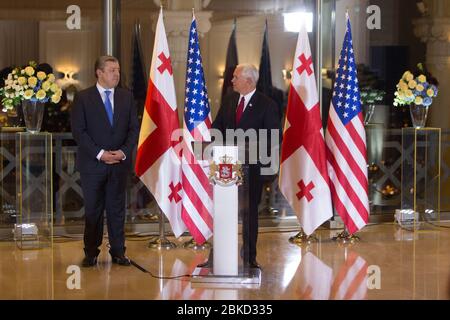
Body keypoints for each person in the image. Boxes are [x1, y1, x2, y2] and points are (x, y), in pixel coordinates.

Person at [71, 56, 139, 267]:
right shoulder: (83, 98)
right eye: (111, 70)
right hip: (93, 165)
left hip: (119, 163)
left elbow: (133, 129)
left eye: (118, 70)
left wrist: (123, 152)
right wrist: (100, 153)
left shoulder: (126, 97)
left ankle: (118, 252)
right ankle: (91, 252)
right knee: (93, 210)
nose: (116, 74)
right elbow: (79, 132)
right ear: (99, 73)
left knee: (117, 209)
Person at [211, 63, 281, 269]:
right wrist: (217, 143)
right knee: (223, 211)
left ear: (249, 81)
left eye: (235, 77)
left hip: (253, 170)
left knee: (249, 213)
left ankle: (249, 256)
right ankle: (219, 253)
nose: (231, 80)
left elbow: (274, 137)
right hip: (226, 167)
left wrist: (247, 147)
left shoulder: (266, 104)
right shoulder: (230, 100)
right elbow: (217, 127)